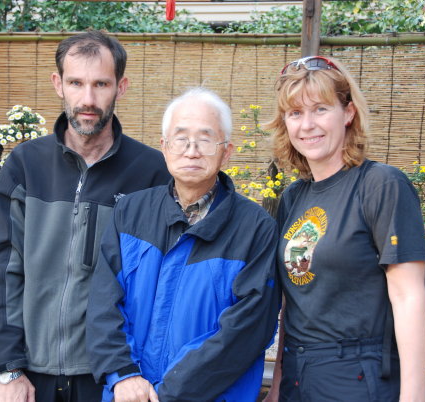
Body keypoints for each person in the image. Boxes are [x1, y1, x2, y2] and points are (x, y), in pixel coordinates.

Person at [0, 30, 171, 402]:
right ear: (58, 84)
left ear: (121, 86)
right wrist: (8, 367)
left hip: (113, 376)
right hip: (32, 375)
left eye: (101, 84)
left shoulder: (151, 173)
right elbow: (2, 270)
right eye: (76, 83)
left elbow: (160, 284)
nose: (88, 99)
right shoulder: (24, 165)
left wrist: (130, 371)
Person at [86, 87, 281, 402]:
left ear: (227, 151)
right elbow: (103, 303)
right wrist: (124, 375)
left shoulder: (256, 229)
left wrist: (167, 393)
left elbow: (246, 331)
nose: (192, 150)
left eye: (205, 139)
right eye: (180, 138)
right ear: (164, 147)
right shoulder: (130, 212)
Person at [264, 56, 425, 402]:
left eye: (321, 109)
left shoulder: (381, 185)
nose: (307, 125)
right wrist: (279, 386)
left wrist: (413, 398)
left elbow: (408, 297)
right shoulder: (294, 197)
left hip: (358, 375)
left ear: (349, 113)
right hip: (298, 375)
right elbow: (291, 306)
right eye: (295, 113)